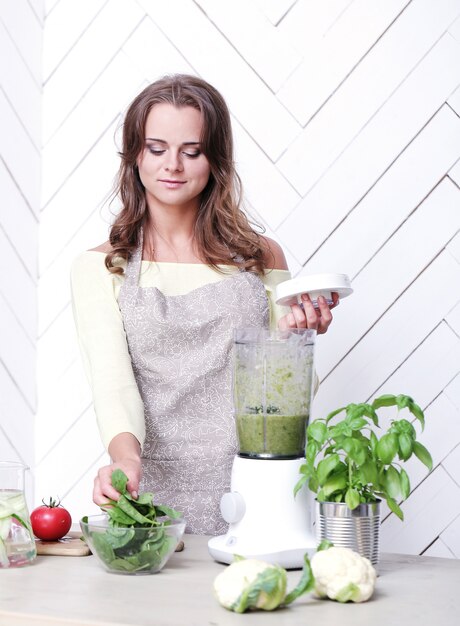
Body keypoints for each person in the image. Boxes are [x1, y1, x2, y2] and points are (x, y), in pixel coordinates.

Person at [70, 74, 338, 535]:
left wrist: (295, 339)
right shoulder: (101, 268)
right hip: (149, 493)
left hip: (259, 481)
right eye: (156, 148)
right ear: (135, 155)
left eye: (191, 151)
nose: (172, 165)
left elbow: (290, 394)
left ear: (215, 159)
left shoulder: (261, 257)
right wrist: (125, 461)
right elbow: (112, 386)